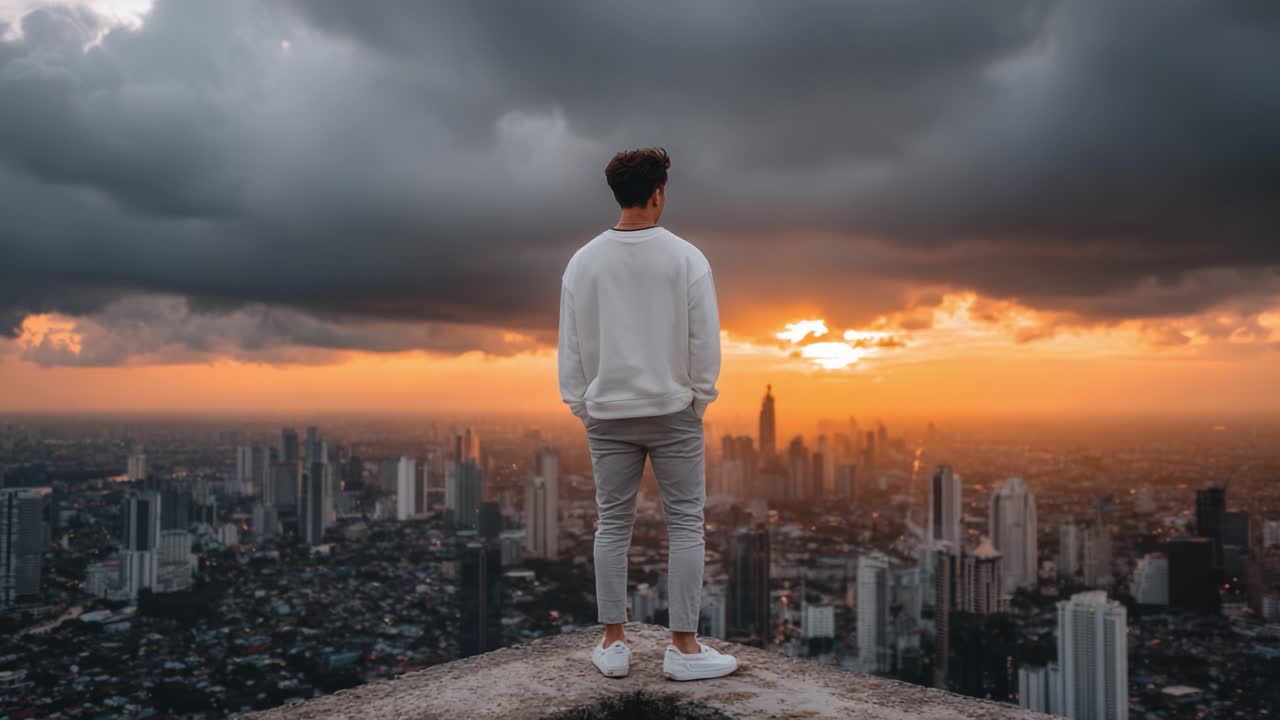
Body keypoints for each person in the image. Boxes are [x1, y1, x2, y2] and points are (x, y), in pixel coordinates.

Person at [558, 147, 736, 681]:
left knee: (612, 524)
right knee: (686, 523)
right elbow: (705, 342)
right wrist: (699, 400)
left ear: (618, 193)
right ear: (659, 193)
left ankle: (613, 645)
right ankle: (683, 648)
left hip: (608, 413)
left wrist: (583, 408)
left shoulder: (582, 261)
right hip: (673, 411)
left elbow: (570, 349)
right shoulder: (687, 258)